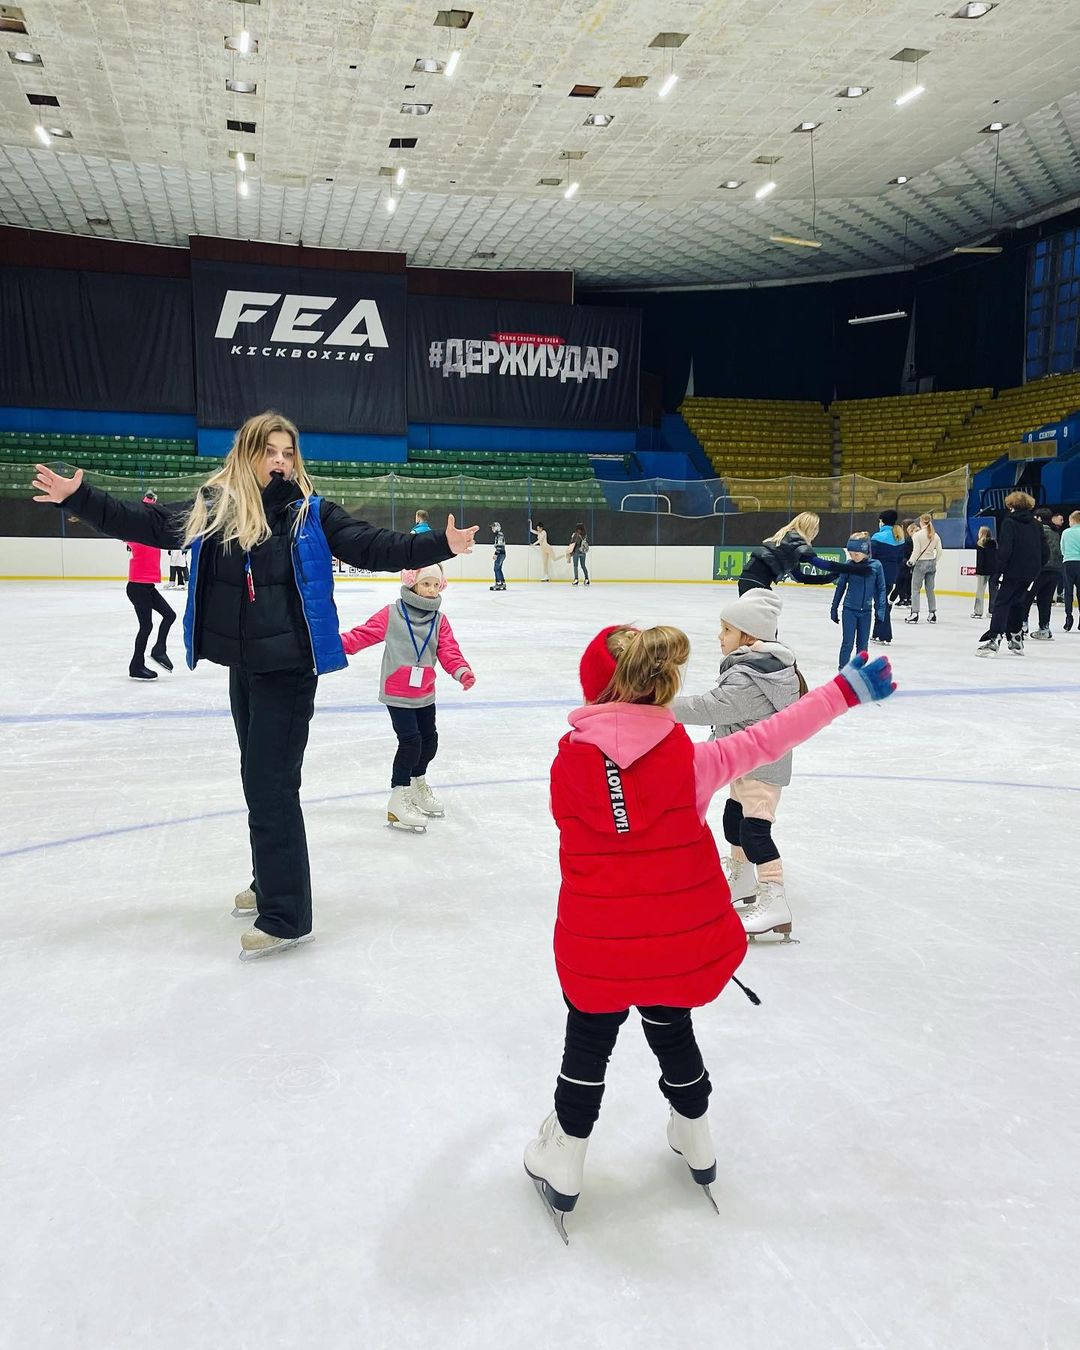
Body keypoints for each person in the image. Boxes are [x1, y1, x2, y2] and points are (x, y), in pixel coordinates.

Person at [31, 411, 478, 959]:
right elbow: (146, 524)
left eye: (288, 453)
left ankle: (287, 915)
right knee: (257, 780)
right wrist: (80, 497)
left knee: (271, 786)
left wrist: (439, 544)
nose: (281, 461)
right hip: (246, 668)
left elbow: (372, 545)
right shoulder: (216, 510)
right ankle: (271, 884)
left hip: (289, 670)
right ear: (247, 453)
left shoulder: (308, 515)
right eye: (270, 451)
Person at [523, 624, 896, 1240]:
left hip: (598, 944)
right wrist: (843, 691)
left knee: (587, 1045)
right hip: (678, 942)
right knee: (671, 1028)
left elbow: (607, 821)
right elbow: (770, 735)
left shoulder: (569, 763)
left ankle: (564, 1158)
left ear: (594, 687)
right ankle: (693, 1133)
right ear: (663, 685)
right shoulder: (696, 761)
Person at [670, 589, 806, 940]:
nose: (719, 637)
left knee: (754, 831)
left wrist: (658, 705)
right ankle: (743, 878)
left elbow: (710, 707)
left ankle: (774, 900)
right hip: (745, 764)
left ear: (748, 636)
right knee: (734, 819)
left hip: (761, 770)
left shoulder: (751, 677)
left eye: (726, 631)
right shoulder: (756, 668)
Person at [339, 563, 475, 832]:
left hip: (425, 692)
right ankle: (397, 798)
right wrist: (327, 646)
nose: (431, 590)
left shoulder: (439, 620)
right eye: (426, 584)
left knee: (429, 741)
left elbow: (449, 650)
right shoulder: (393, 613)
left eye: (436, 585)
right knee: (410, 742)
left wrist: (461, 671)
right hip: (397, 693)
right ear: (412, 583)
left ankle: (416, 785)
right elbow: (361, 636)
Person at [977, 491, 1048, 657]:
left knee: (1002, 603)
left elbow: (1005, 550)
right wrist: (1036, 568)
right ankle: (1016, 638)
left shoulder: (1009, 522)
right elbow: (1045, 552)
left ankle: (994, 638)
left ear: (1010, 505)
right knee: (1017, 602)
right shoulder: (1036, 524)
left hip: (1012, 571)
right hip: (1031, 573)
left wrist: (999, 570)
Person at [737, 512, 859, 594]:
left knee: (753, 625)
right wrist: (846, 568)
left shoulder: (787, 540)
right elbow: (820, 564)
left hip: (747, 579)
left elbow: (800, 577)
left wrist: (830, 577)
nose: (817, 531)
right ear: (810, 528)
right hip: (757, 583)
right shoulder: (796, 541)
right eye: (816, 527)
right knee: (764, 626)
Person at [124, 491, 176, 680]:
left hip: (147, 587)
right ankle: (136, 666)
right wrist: (147, 503)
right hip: (137, 586)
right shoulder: (133, 534)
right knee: (146, 626)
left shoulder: (155, 534)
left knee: (170, 615)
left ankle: (159, 649)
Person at [831, 532, 886, 668]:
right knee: (847, 643)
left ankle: (858, 672)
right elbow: (841, 587)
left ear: (865, 550)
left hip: (866, 612)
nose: (853, 557)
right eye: (850, 554)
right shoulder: (848, 565)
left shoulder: (876, 566)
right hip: (849, 610)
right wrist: (834, 608)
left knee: (862, 646)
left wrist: (881, 609)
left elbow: (881, 589)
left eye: (856, 554)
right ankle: (842, 673)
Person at [1025, 507, 1064, 640]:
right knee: (1045, 601)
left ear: (1039, 518)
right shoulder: (1056, 531)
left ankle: (1022, 624)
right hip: (1055, 570)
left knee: (1027, 597)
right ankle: (1044, 628)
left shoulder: (1038, 529)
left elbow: (1033, 549)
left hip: (1040, 569)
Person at [869, 510, 906, 644]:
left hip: (878, 576)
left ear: (882, 521)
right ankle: (876, 633)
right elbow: (900, 559)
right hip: (891, 576)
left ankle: (885, 635)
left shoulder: (877, 537)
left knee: (880, 604)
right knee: (880, 603)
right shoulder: (898, 537)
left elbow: (871, 558)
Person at [905, 514, 943, 624]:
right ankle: (932, 613)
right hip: (931, 563)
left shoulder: (917, 535)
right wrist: (935, 560)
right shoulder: (935, 535)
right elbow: (940, 551)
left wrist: (911, 561)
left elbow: (916, 551)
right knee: (930, 590)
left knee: (915, 589)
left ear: (921, 522)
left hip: (921, 563)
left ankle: (915, 613)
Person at [972, 526, 999, 620]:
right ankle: (992, 611)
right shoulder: (994, 543)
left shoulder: (980, 544)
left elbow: (980, 559)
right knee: (994, 592)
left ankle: (978, 612)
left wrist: (978, 571)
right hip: (994, 570)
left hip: (983, 571)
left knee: (980, 591)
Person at [890, 520, 917, 608]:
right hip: (909, 563)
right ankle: (906, 598)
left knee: (901, 582)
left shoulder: (905, 540)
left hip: (904, 563)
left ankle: (901, 599)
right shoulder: (909, 539)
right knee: (907, 581)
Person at [1062, 509, 1080, 633]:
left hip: (1068, 562)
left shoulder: (1066, 532)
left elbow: (1062, 549)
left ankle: (1069, 616)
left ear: (1072, 520)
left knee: (1068, 592)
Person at [490, 521, 507, 591]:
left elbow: (500, 545)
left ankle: (498, 583)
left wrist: (496, 554)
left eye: (493, 527)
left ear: (496, 528)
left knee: (496, 568)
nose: (492, 529)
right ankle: (502, 583)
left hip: (500, 553)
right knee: (499, 568)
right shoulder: (499, 535)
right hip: (502, 553)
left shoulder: (499, 535)